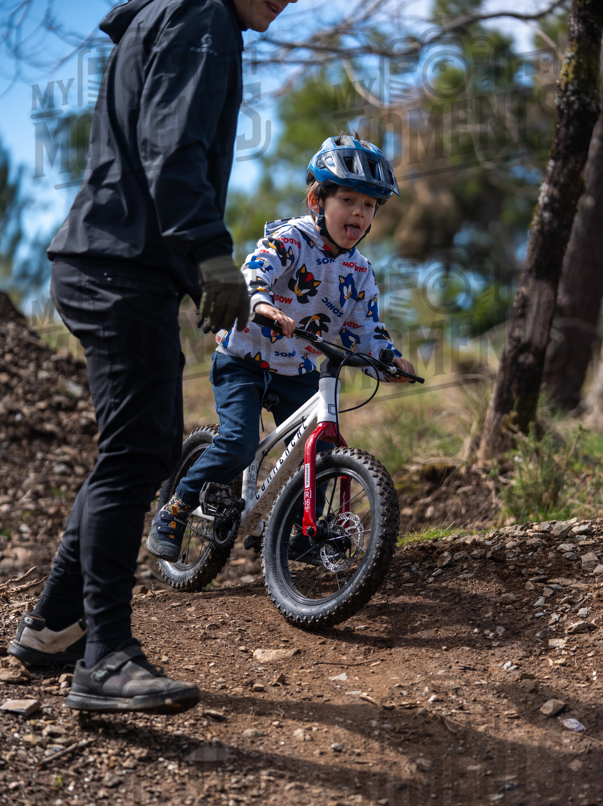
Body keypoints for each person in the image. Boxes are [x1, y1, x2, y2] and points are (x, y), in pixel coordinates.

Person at [8, 0, 296, 714]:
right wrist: (211, 256)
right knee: (136, 454)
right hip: (119, 268)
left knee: (146, 449)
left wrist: (196, 267)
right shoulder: (203, 15)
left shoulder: (175, 15)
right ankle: (105, 657)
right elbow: (173, 149)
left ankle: (54, 626)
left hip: (116, 264)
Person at [146, 134, 416, 565]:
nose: (359, 213)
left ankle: (296, 533)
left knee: (320, 455)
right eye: (348, 200)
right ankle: (176, 509)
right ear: (316, 201)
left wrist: (388, 360)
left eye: (369, 205)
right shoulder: (291, 239)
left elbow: (365, 330)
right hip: (243, 359)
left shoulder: (361, 272)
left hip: (298, 369)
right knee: (238, 444)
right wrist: (262, 303)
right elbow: (255, 271)